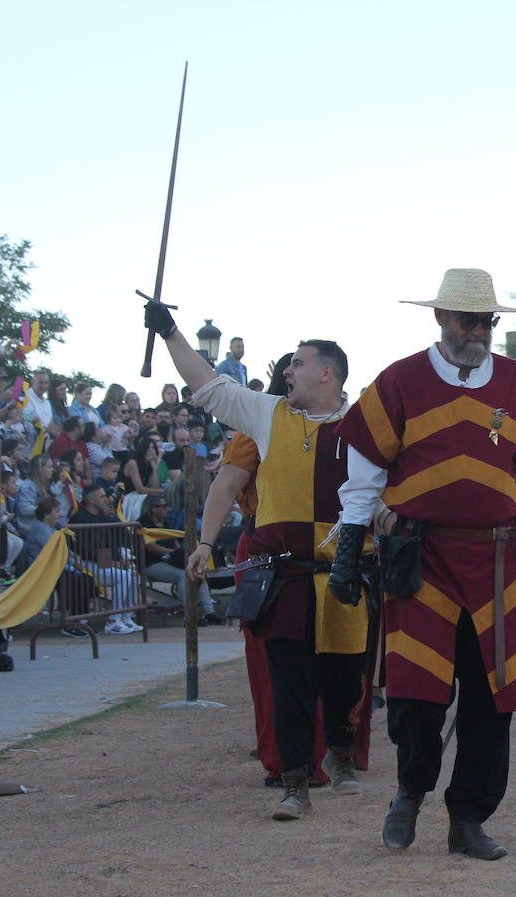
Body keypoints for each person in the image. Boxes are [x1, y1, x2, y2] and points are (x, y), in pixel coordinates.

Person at [331, 268, 516, 860]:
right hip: (422, 558)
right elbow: (365, 473)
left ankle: (469, 818)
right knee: (416, 691)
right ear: (440, 318)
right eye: (468, 319)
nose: (479, 331)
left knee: (494, 695)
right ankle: (410, 793)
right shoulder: (400, 382)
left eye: (488, 320)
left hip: (495, 558)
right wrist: (349, 544)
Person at [144, 297, 370, 822]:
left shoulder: (365, 424)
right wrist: (171, 333)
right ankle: (295, 784)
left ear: (327, 372)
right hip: (285, 576)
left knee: (344, 680)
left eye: (297, 361)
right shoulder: (269, 416)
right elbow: (212, 387)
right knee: (289, 686)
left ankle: (341, 755)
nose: (287, 370)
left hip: (345, 575)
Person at [69, 482, 143, 635]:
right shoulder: (80, 518)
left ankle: (125, 617)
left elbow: (113, 540)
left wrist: (121, 559)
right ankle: (113, 621)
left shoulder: (105, 516)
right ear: (90, 499)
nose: (106, 499)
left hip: (104, 560)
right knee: (122, 577)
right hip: (86, 563)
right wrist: (111, 562)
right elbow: (84, 548)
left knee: (134, 576)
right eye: (102, 496)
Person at [138, 494, 222, 625]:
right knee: (184, 575)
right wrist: (173, 552)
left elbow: (174, 541)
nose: (167, 509)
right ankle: (189, 614)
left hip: (169, 560)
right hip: (151, 563)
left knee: (197, 572)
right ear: (153, 509)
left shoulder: (165, 522)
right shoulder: (143, 523)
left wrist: (176, 552)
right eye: (163, 506)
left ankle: (209, 612)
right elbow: (151, 547)